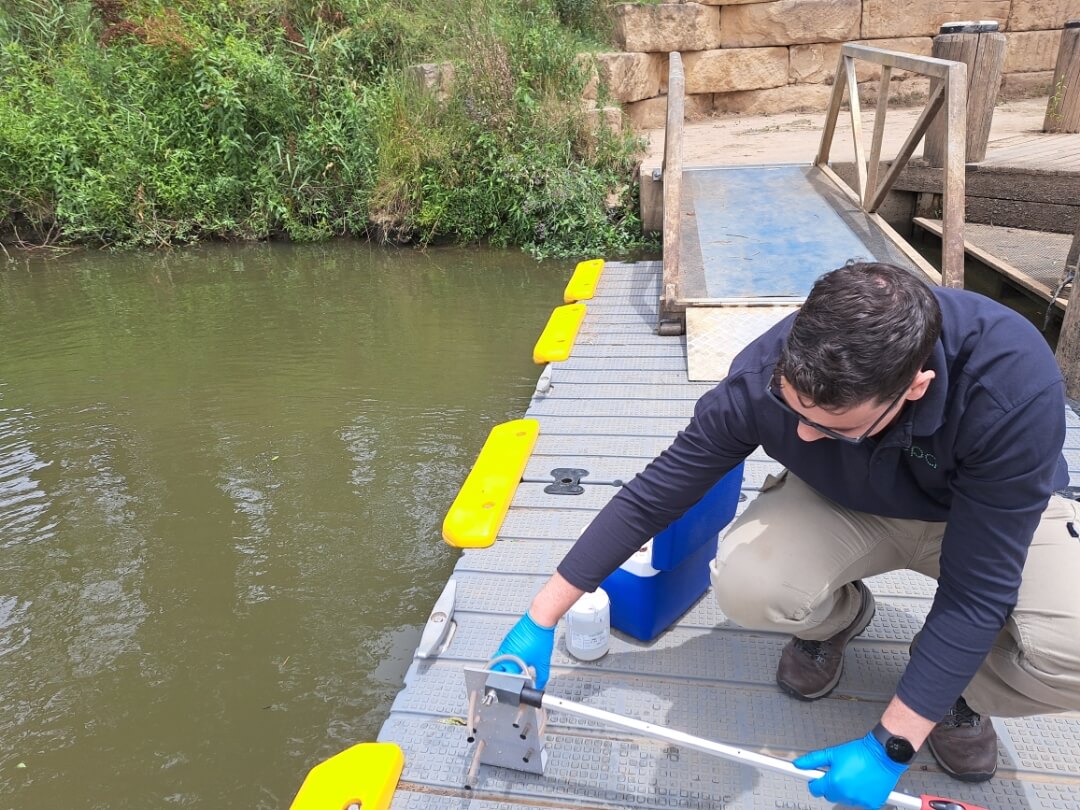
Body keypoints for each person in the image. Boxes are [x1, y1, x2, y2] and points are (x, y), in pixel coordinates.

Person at [490, 261, 1080, 809]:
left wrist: (890, 746)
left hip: (986, 516)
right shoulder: (769, 370)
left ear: (914, 389)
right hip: (846, 499)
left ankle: (957, 693)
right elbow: (658, 491)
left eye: (834, 427)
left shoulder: (1012, 385)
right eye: (793, 409)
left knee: (1069, 650)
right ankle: (838, 620)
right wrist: (540, 618)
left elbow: (975, 593)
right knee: (748, 581)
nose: (803, 436)